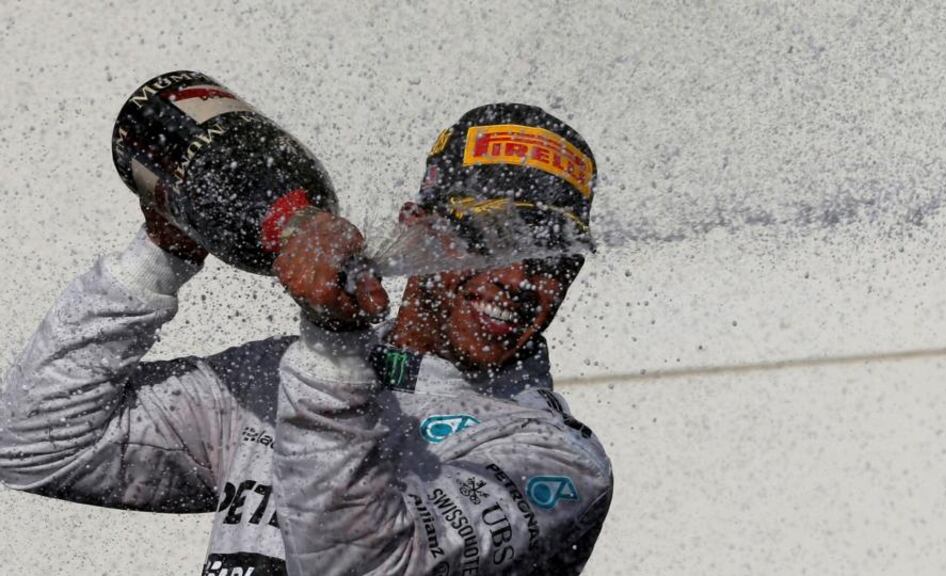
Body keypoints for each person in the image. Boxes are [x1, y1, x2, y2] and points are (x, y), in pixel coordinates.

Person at [0, 103, 612, 575]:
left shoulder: (556, 459)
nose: (518, 279)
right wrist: (162, 251)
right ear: (416, 228)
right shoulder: (273, 376)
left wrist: (332, 347)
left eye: (550, 259)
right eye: (491, 238)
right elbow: (33, 447)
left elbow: (355, 568)